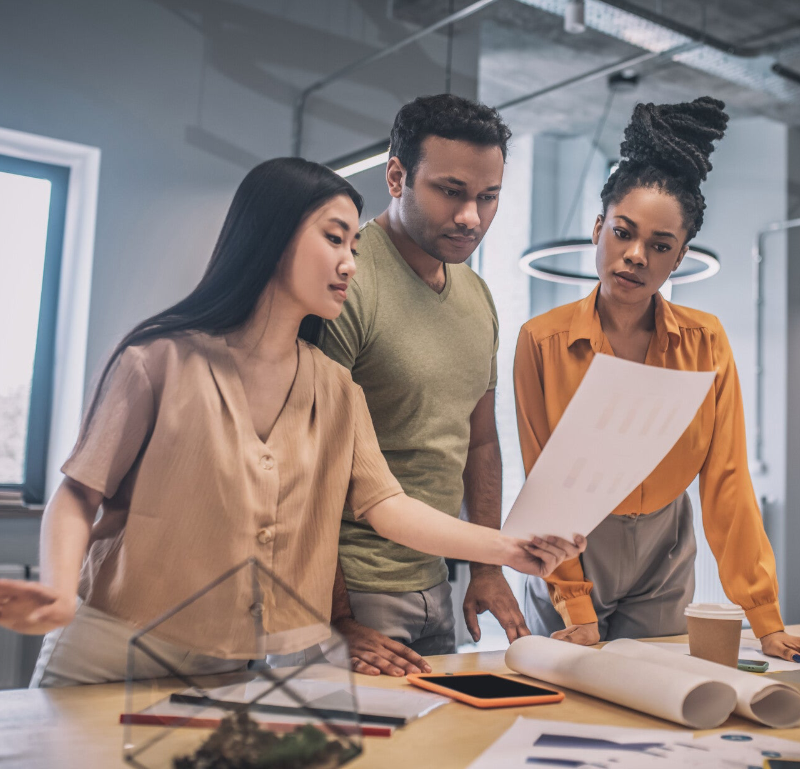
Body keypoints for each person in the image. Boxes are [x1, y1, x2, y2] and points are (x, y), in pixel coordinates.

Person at [0, 158, 585, 687]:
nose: (349, 263)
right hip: (106, 650)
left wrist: (508, 548)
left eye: (354, 246)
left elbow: (390, 509)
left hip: (227, 667)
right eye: (334, 240)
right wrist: (55, 589)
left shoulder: (334, 388)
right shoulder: (158, 357)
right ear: (272, 236)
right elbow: (78, 493)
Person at [513, 96, 800, 662]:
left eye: (660, 246)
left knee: (655, 705)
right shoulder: (541, 341)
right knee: (562, 710)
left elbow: (727, 482)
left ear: (679, 258)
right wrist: (574, 603)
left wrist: (764, 617)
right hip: (569, 548)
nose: (635, 255)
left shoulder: (705, 341)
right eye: (622, 232)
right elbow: (541, 481)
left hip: (666, 550)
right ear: (598, 228)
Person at [321, 94, 528, 678]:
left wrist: (485, 567)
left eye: (488, 197)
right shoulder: (345, 280)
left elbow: (480, 442)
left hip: (436, 585)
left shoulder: (477, 297)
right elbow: (305, 466)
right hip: (352, 593)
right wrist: (336, 618)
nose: (471, 216)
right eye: (451, 191)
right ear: (396, 175)